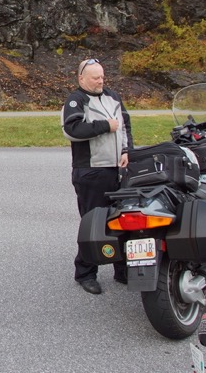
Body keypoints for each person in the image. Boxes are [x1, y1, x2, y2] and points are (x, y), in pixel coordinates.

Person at [61, 58, 133, 295]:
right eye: (95, 77)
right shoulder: (76, 100)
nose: (101, 80)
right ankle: (85, 273)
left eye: (102, 76)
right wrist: (105, 126)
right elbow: (72, 129)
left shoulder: (113, 96)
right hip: (91, 172)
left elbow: (125, 125)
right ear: (81, 78)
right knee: (93, 224)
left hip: (117, 169)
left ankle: (122, 270)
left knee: (122, 221)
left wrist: (126, 151)